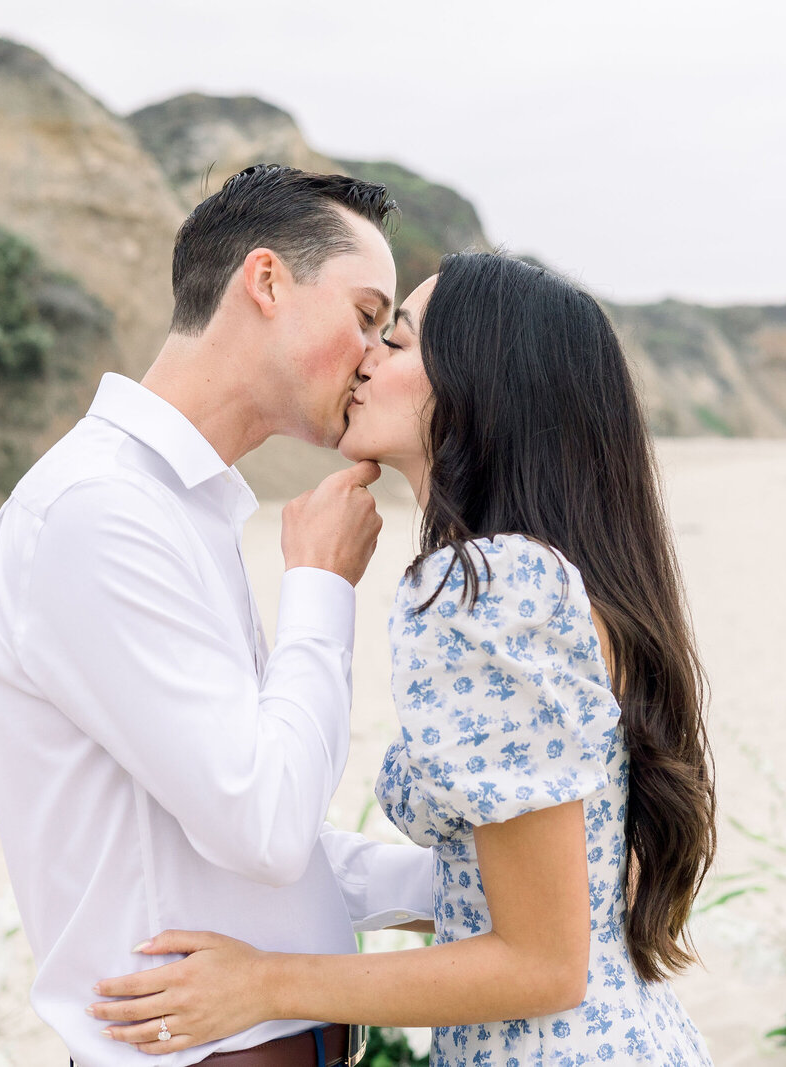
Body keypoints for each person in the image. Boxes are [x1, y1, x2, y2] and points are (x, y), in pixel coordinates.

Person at [86, 253, 719, 1065]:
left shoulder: (485, 592)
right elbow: (588, 887)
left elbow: (541, 964)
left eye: (399, 338)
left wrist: (265, 983)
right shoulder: (565, 584)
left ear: (477, 385)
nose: (366, 356)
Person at [0, 165, 437, 1067]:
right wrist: (321, 586)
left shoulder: (179, 504)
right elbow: (259, 825)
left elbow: (230, 843)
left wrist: (469, 882)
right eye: (366, 315)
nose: (375, 355)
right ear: (266, 282)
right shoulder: (99, 511)